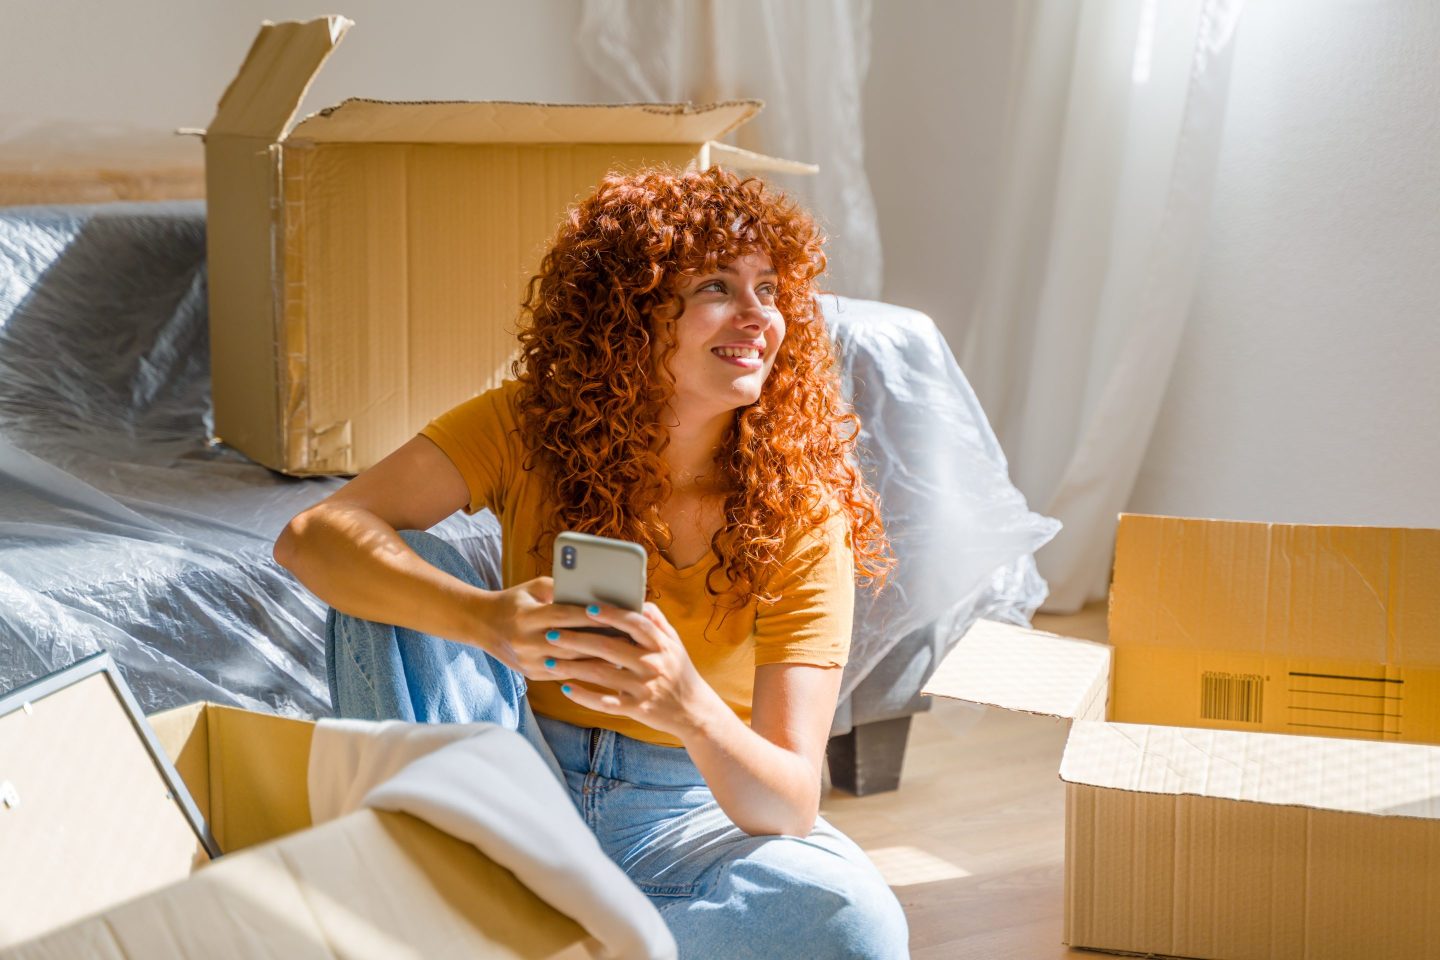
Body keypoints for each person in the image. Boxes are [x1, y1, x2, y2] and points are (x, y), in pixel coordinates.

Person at [274, 166, 910, 958]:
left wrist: (687, 706)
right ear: (628, 312)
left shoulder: (803, 513)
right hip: (510, 778)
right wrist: (486, 622)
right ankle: (518, 915)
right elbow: (313, 535)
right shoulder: (525, 424)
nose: (758, 317)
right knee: (393, 567)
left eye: (772, 290)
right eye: (717, 285)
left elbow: (786, 803)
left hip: (686, 816)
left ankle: (518, 932)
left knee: (855, 924)